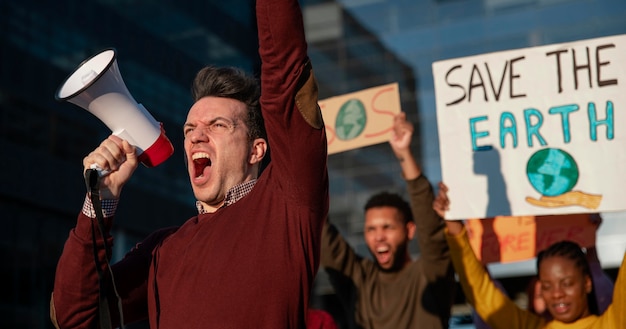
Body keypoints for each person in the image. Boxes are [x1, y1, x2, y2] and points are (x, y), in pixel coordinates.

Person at [49, 0, 329, 327]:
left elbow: (285, 71)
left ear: (257, 150)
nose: (197, 136)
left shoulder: (285, 205)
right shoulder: (162, 250)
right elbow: (72, 316)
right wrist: (101, 202)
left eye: (218, 125)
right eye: (189, 129)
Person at [320, 112, 456, 329]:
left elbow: (431, 230)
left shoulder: (430, 274)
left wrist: (404, 154)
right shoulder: (358, 277)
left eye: (388, 227)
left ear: (410, 230)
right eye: (371, 229)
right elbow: (318, 229)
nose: (379, 236)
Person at [433, 182, 626, 329]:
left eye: (567, 283)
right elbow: (482, 294)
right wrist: (454, 224)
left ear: (587, 283)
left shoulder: (614, 323)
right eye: (547, 287)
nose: (557, 294)